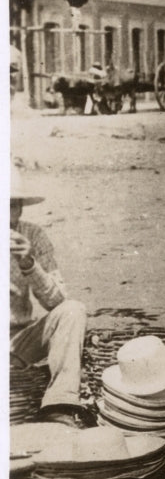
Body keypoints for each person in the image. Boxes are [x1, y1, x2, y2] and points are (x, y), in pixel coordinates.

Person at [9, 171, 88, 427]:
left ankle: (59, 403)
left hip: (17, 341)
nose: (8, 214)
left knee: (73, 310)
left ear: (20, 208)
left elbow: (57, 301)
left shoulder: (33, 236)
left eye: (13, 206)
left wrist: (30, 265)